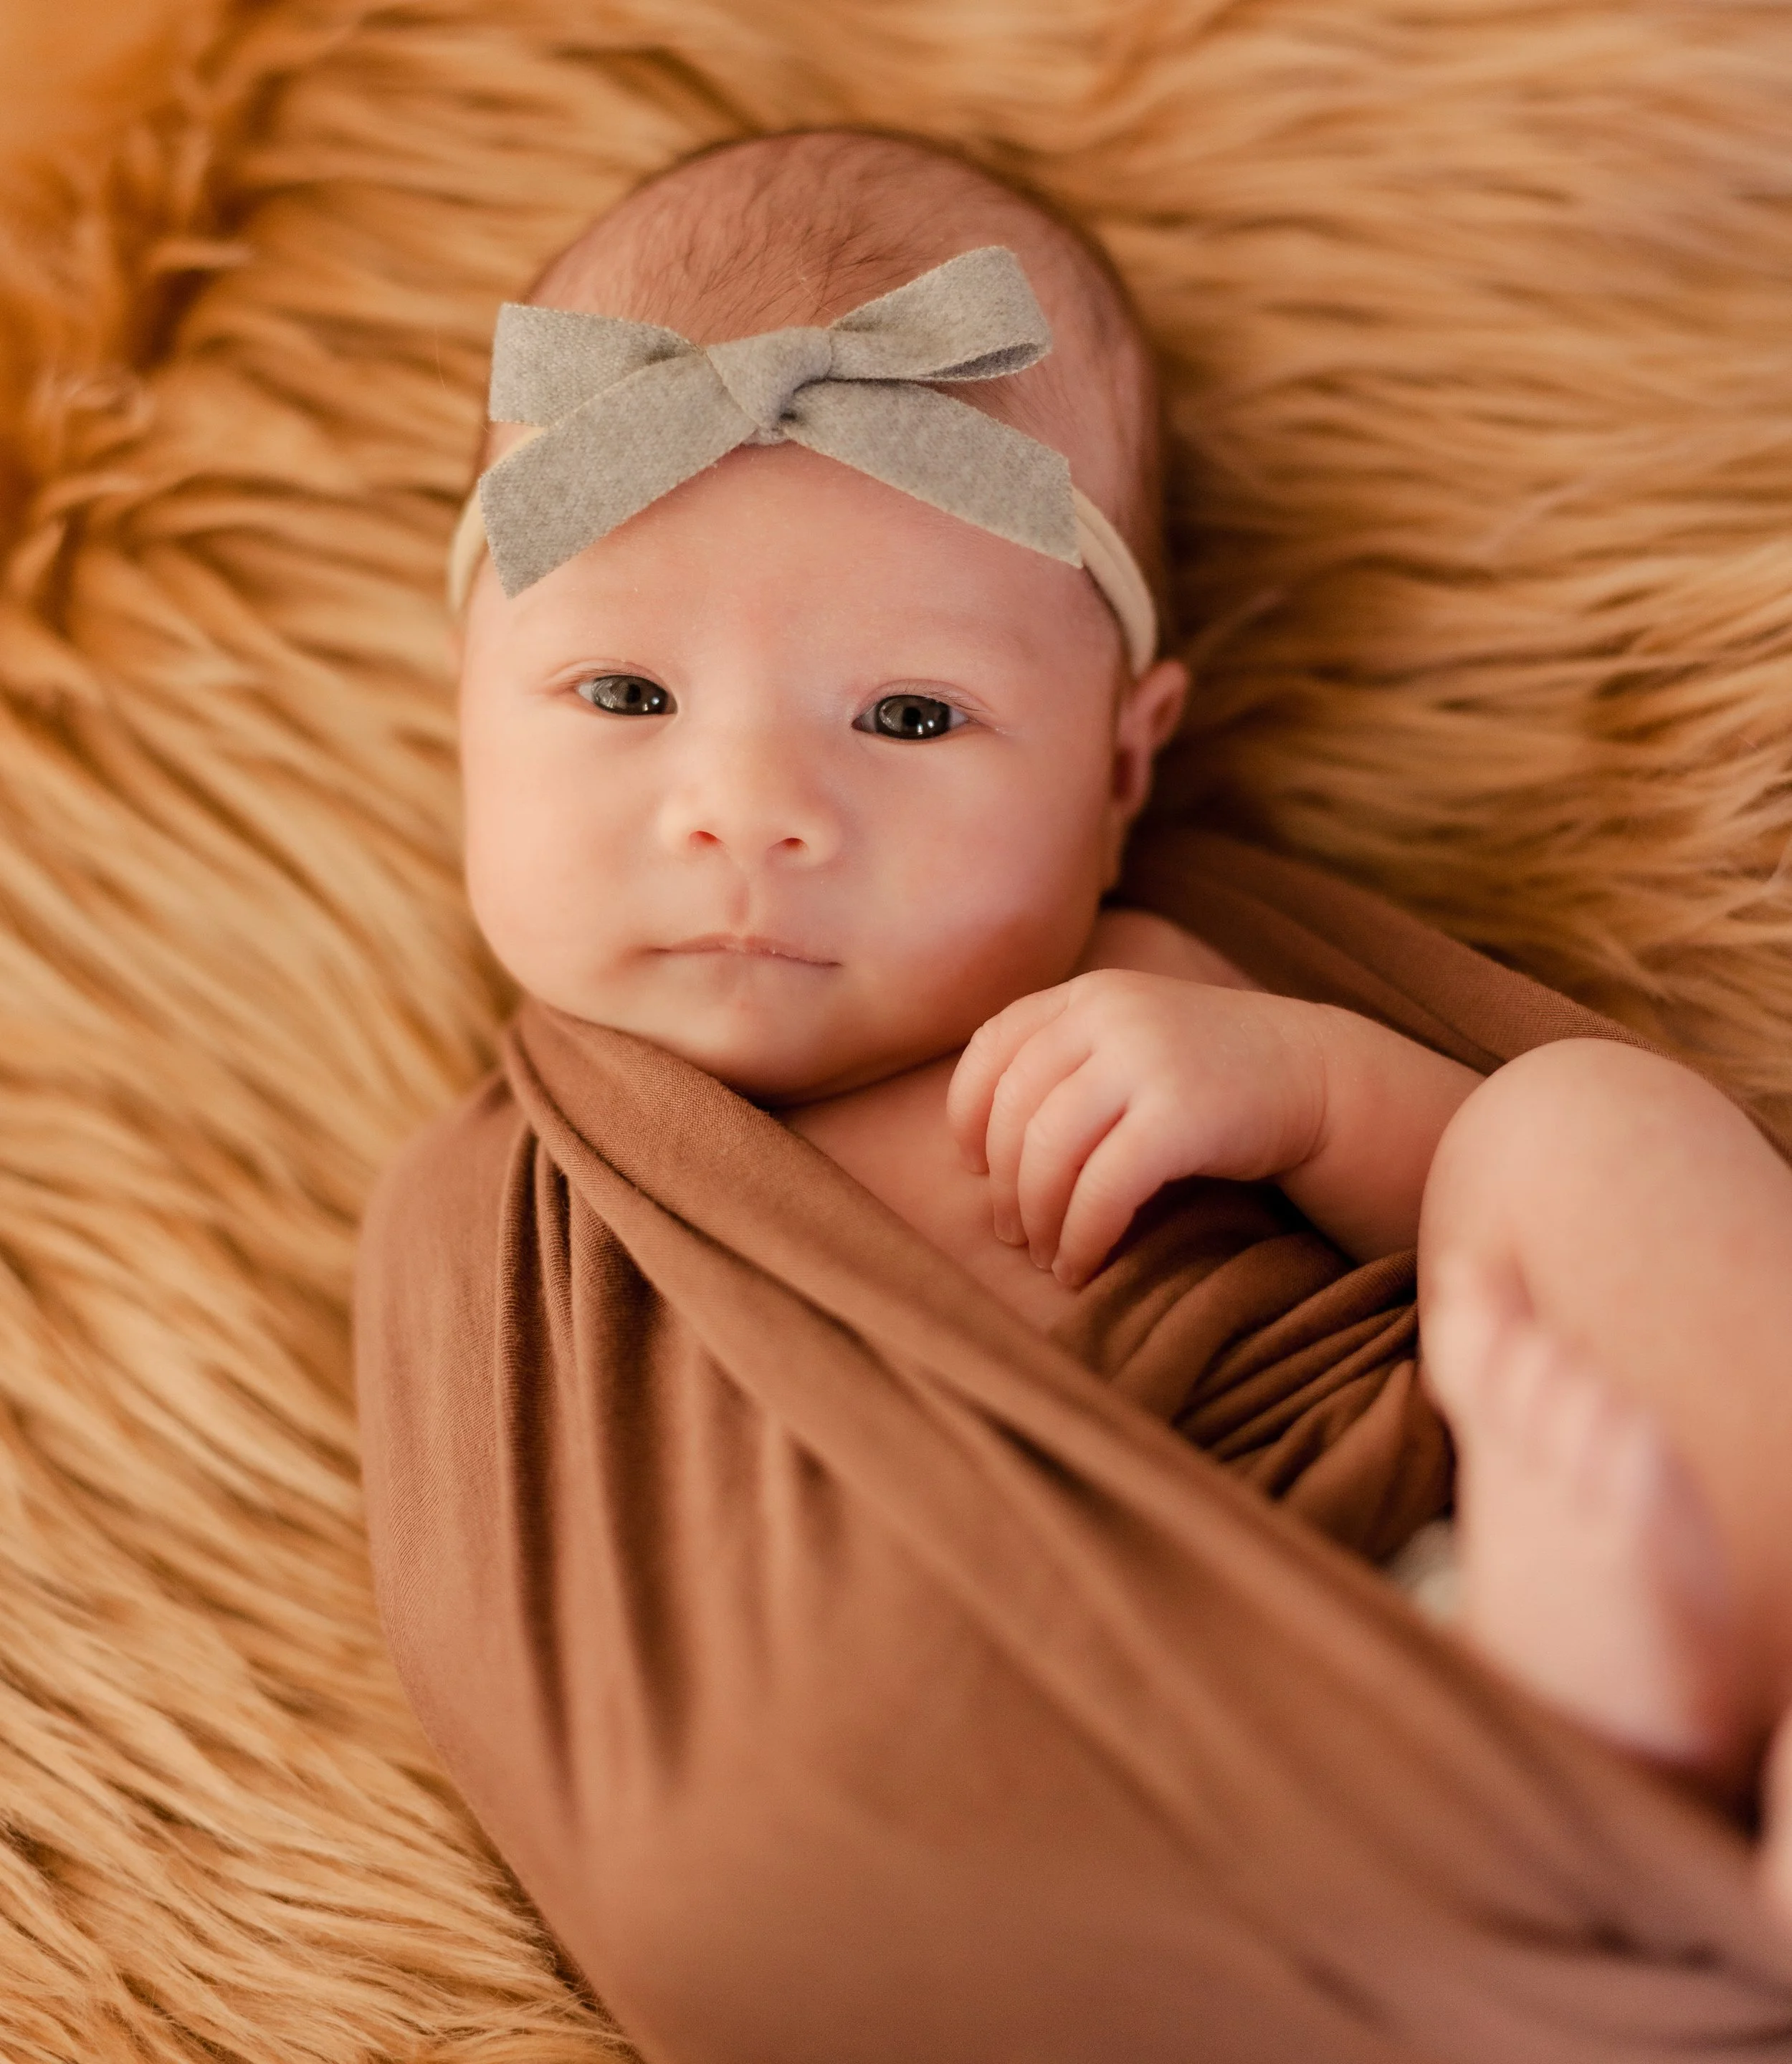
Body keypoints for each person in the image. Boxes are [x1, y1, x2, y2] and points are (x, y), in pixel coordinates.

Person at [358, 124, 1792, 2057]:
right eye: (625, 696)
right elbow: (595, 1711)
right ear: (462, 698)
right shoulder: (500, 1224)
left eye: (909, 716)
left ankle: (1683, 1704)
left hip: (1463, 1524)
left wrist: (1309, 1094)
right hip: (1036, 1829)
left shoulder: (1176, 964)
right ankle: (1556, 1766)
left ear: (1122, 764)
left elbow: (1511, 1224)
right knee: (753, 1864)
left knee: (1590, 1128)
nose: (750, 812)